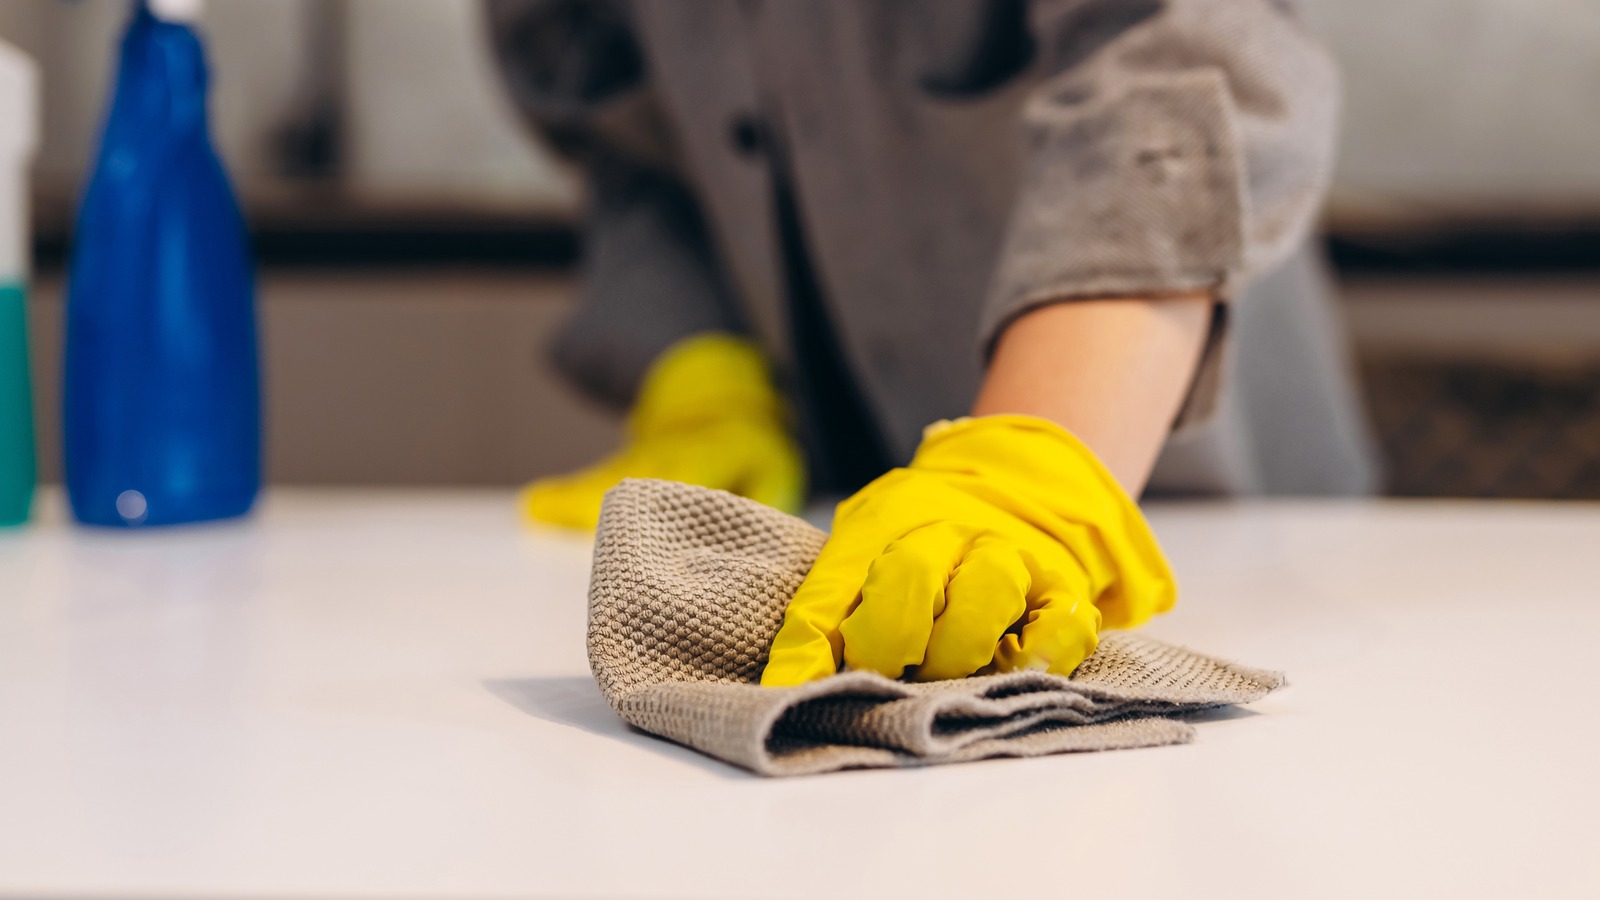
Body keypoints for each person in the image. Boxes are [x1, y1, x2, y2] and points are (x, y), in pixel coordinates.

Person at [488, 0, 1376, 685]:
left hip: (1201, 512)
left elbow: (1176, 51)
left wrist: (1032, 480)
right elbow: (615, 131)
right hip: (827, 494)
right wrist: (701, 369)